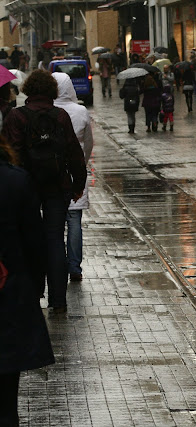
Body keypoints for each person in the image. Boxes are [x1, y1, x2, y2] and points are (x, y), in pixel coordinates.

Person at [2, 69, 87, 312]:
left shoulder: (17, 117)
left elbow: (11, 154)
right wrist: (78, 185)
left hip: (26, 188)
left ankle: (34, 293)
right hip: (56, 185)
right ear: (52, 91)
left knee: (29, 240)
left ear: (28, 90)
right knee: (54, 241)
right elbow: (74, 153)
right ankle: (58, 302)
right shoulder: (60, 116)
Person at [0, 137, 55, 426]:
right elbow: (35, 242)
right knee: (6, 398)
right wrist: (34, 289)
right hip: (9, 295)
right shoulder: (16, 181)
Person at [53, 72, 94, 282]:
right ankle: (75, 267)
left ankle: (57, 263)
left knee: (54, 221)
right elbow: (88, 143)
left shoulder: (49, 111)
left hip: (53, 172)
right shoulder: (80, 111)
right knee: (75, 220)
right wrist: (82, 164)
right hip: (75, 171)